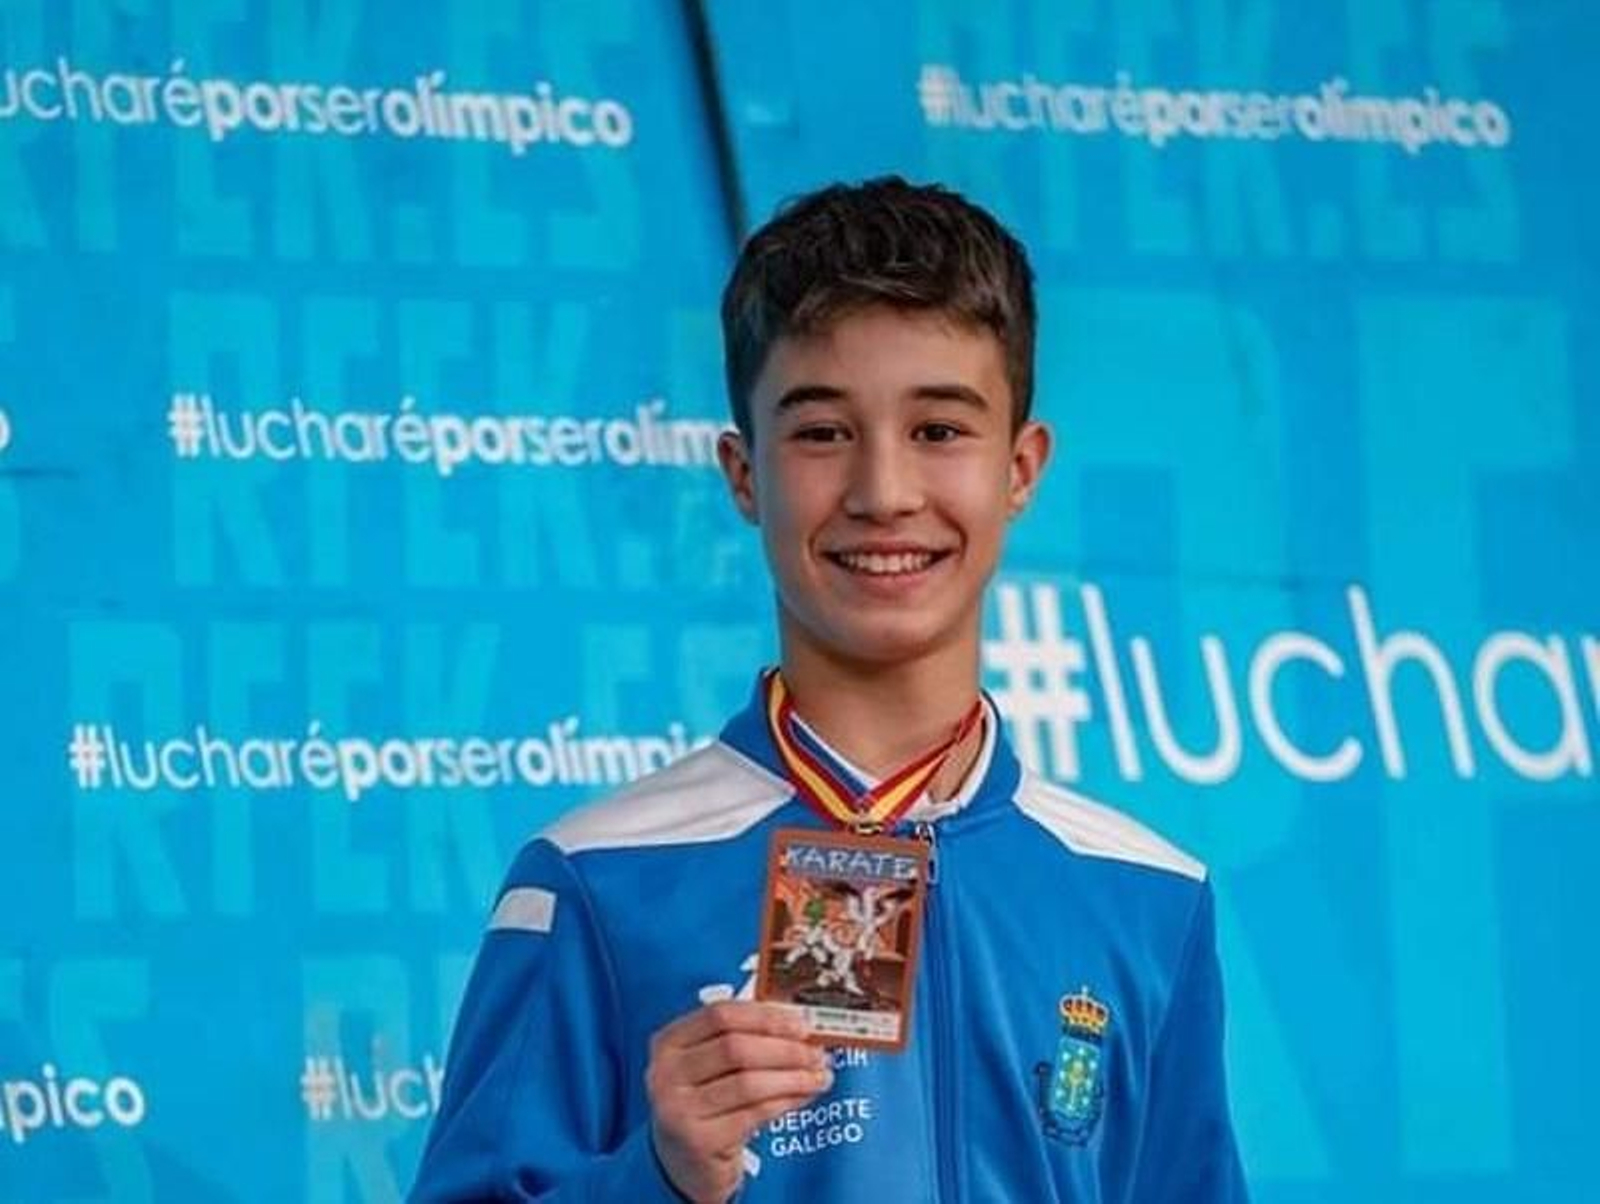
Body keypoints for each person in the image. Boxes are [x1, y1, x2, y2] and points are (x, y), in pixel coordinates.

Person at [410, 177, 1248, 1202]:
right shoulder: (595, 880)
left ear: (1021, 469)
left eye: (939, 430)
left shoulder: (1149, 897)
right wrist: (654, 1178)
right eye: (820, 433)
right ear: (742, 473)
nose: (883, 492)